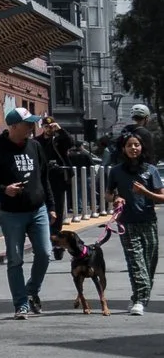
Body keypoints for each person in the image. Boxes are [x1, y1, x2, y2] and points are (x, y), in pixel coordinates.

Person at [0, 108, 54, 318]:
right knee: (15, 259)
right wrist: (4, 189)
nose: (32, 127)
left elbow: (44, 177)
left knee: (45, 253)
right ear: (14, 126)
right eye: (28, 123)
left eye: (33, 123)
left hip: (38, 209)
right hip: (12, 214)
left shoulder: (35, 146)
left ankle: (31, 290)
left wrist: (51, 206)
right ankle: (21, 303)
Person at [109, 131, 164, 317]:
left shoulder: (151, 170)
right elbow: (108, 193)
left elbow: (162, 197)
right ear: (123, 149)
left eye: (137, 145)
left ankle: (137, 296)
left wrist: (145, 193)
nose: (133, 148)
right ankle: (140, 301)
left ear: (142, 148)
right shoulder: (116, 171)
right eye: (129, 145)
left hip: (148, 222)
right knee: (135, 263)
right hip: (127, 223)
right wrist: (116, 198)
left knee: (149, 265)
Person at [63, 226, 112, 314]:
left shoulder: (90, 257)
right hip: (78, 260)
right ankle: (82, 300)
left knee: (101, 278)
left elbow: (96, 279)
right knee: (79, 281)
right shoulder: (74, 259)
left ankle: (103, 303)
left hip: (92, 259)